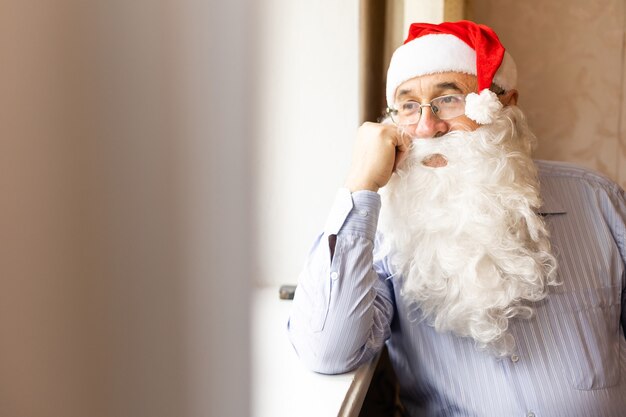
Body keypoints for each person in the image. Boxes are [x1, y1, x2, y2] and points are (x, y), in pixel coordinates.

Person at [287, 20, 626, 416]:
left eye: (449, 100)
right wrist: (359, 184)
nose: (428, 127)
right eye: (408, 106)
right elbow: (328, 350)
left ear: (505, 105)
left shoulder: (596, 199)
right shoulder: (384, 228)